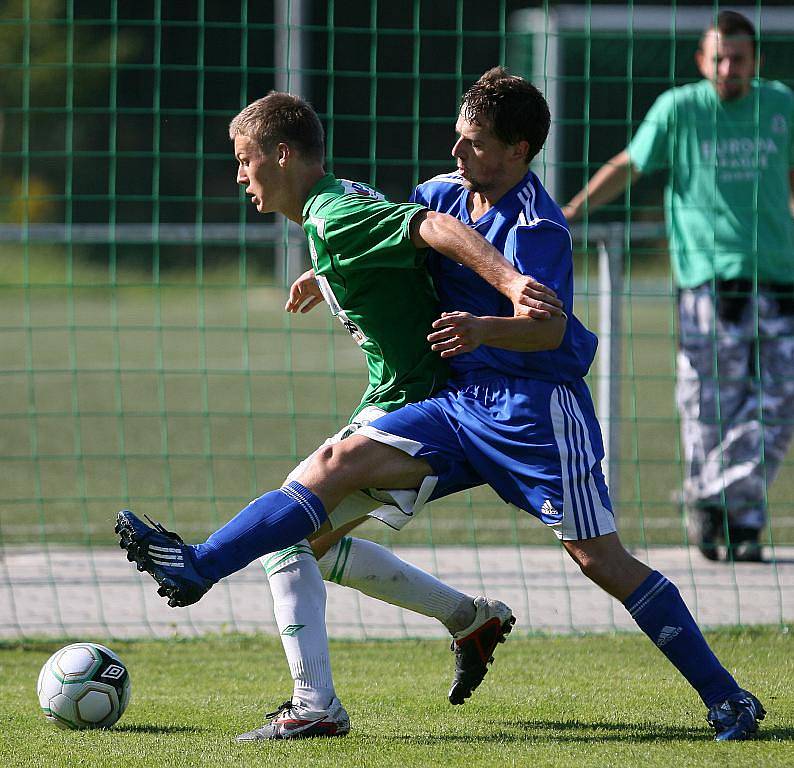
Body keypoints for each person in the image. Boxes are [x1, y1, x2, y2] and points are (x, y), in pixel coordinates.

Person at [117, 71, 766, 742]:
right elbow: (403, 242)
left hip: (533, 411)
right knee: (332, 468)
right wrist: (333, 271)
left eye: (475, 143)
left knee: (601, 560)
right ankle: (199, 567)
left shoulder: (538, 228)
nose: (456, 154)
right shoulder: (443, 192)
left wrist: (488, 326)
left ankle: (728, 698)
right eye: (457, 138)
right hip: (455, 404)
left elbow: (549, 330)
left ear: (518, 150)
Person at [117, 89, 561, 738]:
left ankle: (285, 668)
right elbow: (396, 250)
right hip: (406, 394)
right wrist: (324, 277)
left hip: (415, 404)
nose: (240, 175)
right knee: (304, 546)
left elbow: (428, 227)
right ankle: (469, 619)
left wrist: (509, 283)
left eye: (246, 159)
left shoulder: (331, 219)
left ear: (284, 154)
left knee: (289, 527)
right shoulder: (333, 209)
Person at [563, 11, 794, 562]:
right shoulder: (680, 108)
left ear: (755, 60)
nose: (728, 69)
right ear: (702, 60)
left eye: (739, 59)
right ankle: (737, 526)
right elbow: (630, 164)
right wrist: (571, 210)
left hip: (779, 276)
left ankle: (707, 493)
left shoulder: (781, 104)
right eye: (719, 58)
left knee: (779, 403)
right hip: (709, 282)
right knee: (711, 407)